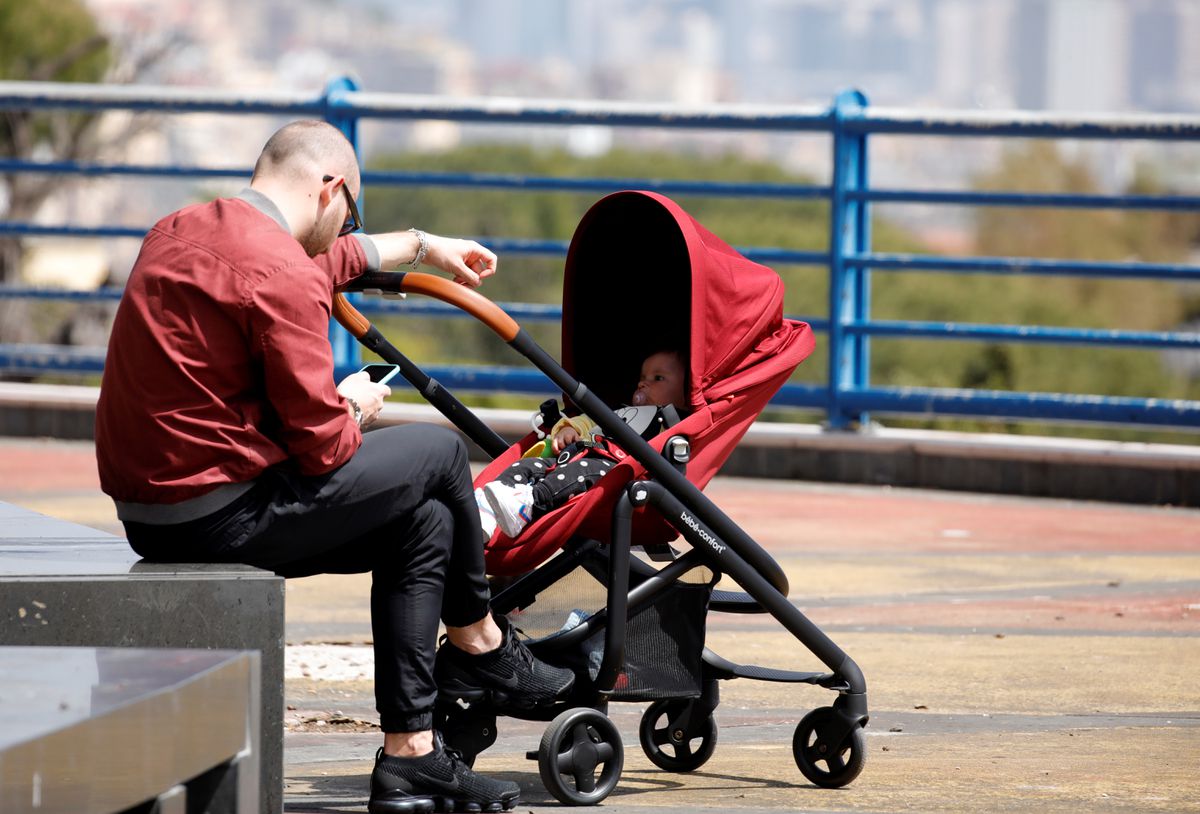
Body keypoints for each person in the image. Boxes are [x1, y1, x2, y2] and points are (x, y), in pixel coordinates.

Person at [94, 120, 574, 814]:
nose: (349, 227)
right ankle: (482, 643)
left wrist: (421, 246)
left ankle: (410, 757)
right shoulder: (280, 270)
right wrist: (352, 407)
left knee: (427, 520)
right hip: (218, 516)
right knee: (438, 453)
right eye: (351, 212)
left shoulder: (181, 229)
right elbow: (324, 450)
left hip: (151, 511)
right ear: (332, 189)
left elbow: (326, 260)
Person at [478, 349, 688, 538]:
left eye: (658, 378)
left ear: (685, 393)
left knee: (581, 471)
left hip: (613, 470)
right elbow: (588, 421)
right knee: (527, 465)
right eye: (642, 377)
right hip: (570, 456)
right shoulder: (621, 411)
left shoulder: (671, 426)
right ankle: (488, 508)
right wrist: (569, 429)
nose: (643, 383)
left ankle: (529, 504)